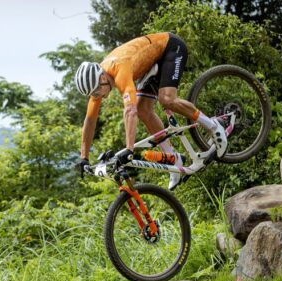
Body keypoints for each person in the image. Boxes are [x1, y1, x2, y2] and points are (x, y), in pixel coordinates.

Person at [74, 32, 227, 190]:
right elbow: (90, 120)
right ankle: (174, 158)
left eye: (97, 92)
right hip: (148, 64)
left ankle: (214, 126)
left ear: (102, 79)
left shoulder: (119, 70)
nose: (98, 96)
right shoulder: (99, 83)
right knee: (143, 110)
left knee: (167, 99)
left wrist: (129, 148)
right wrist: (84, 157)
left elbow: (129, 110)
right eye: (94, 94)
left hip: (170, 47)